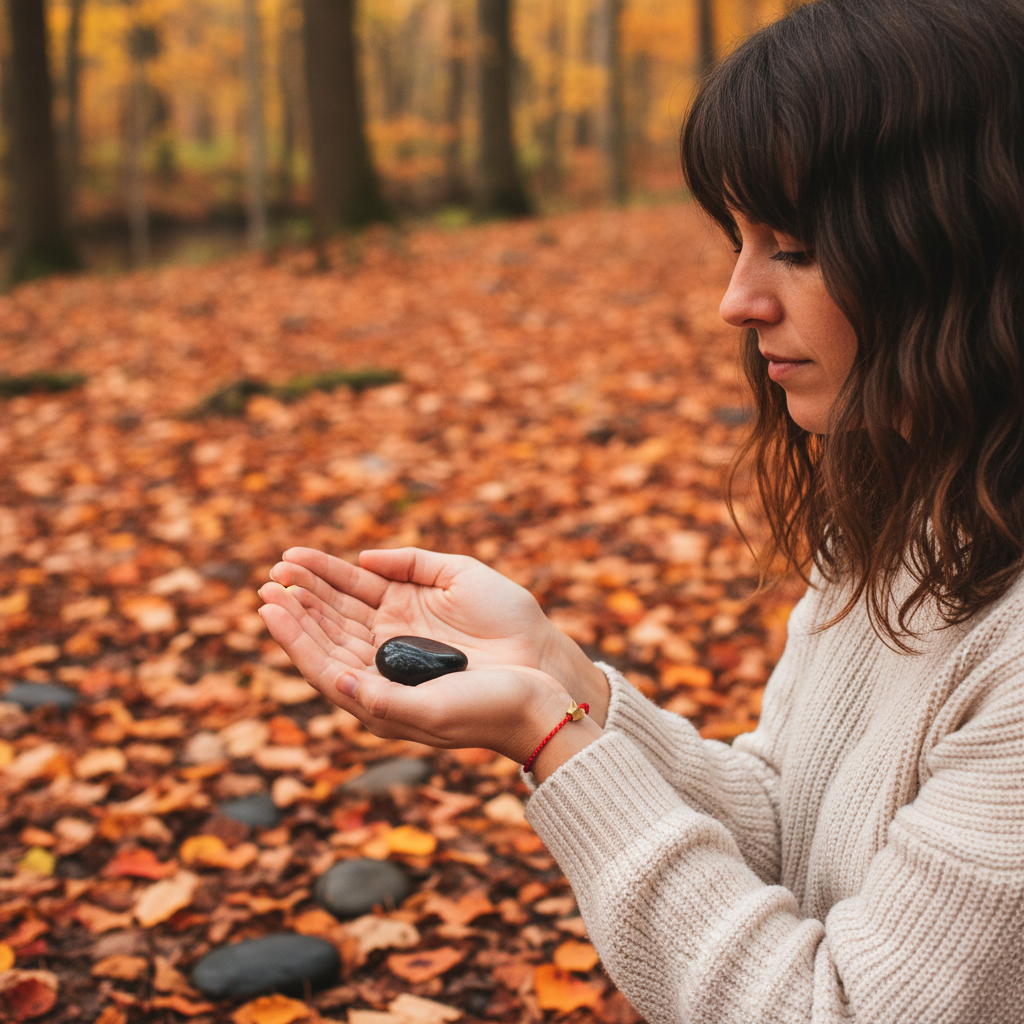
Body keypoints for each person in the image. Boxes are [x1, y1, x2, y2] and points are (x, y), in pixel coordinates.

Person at [257, 0, 1024, 1020]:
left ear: (958, 252)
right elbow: (785, 829)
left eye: (791, 246)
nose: (736, 300)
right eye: (739, 240)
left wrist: (549, 741)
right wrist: (557, 677)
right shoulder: (911, 515)